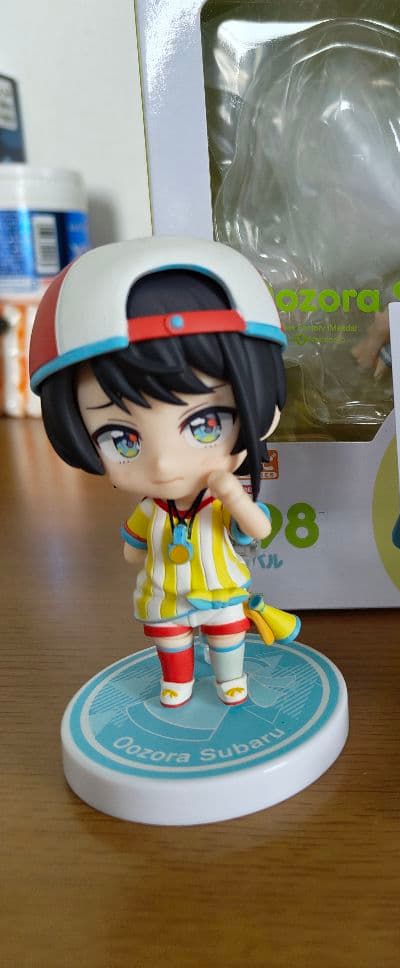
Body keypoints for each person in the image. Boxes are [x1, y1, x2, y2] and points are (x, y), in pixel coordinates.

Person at [29, 236, 295, 708]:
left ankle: (230, 678)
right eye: (122, 439)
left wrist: (235, 496)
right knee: (171, 641)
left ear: (264, 409)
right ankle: (178, 681)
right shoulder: (150, 511)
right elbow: (132, 551)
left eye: (206, 424)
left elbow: (258, 529)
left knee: (227, 636)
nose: (164, 464)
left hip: (220, 591)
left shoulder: (217, 501)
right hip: (166, 596)